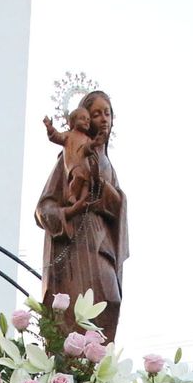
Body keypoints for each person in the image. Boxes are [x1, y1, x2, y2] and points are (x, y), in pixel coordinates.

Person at [35, 89, 127, 340]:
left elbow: (118, 204)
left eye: (108, 113)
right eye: (97, 114)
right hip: (76, 248)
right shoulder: (68, 157)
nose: (104, 119)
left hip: (102, 245)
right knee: (74, 310)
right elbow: (44, 207)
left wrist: (104, 190)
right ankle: (74, 370)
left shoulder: (107, 164)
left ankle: (98, 371)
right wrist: (68, 212)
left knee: (110, 299)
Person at [42, 107, 99, 233]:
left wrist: (94, 145)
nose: (87, 122)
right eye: (83, 119)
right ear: (72, 121)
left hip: (86, 168)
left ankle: (83, 200)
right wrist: (49, 128)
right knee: (78, 177)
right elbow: (56, 136)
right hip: (74, 165)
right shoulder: (69, 136)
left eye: (88, 120)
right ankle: (72, 195)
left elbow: (88, 148)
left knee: (86, 184)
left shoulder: (87, 139)